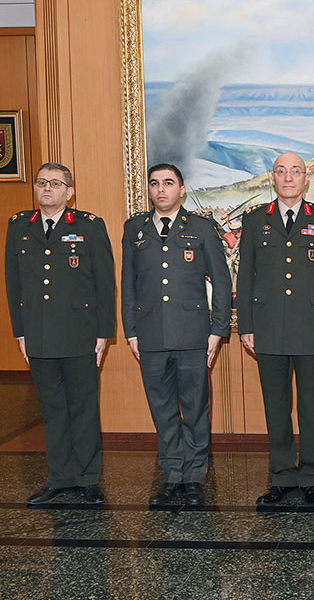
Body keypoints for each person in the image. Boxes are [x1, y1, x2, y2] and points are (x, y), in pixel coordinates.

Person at [236, 152, 314, 507]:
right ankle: (283, 478)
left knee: (312, 407)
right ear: (273, 177)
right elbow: (246, 275)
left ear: (306, 178)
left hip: (313, 328)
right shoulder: (256, 220)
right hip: (268, 329)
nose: (288, 178)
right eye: (281, 172)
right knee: (276, 406)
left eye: (295, 171)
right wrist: (246, 326)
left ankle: (311, 479)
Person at [121, 163, 232, 507]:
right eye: (155, 184)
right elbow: (129, 284)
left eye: (168, 183)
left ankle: (194, 476)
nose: (161, 190)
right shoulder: (134, 229)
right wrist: (131, 332)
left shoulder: (200, 228)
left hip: (193, 337)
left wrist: (217, 330)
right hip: (151, 335)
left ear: (181, 189)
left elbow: (222, 280)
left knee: (195, 408)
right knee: (163, 409)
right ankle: (172, 475)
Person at [5, 163, 115, 505]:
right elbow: (13, 284)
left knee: (83, 408)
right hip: (38, 335)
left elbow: (104, 284)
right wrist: (20, 333)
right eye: (41, 183)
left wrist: (103, 333)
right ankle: (59, 477)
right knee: (51, 410)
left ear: (70, 191)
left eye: (55, 183)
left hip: (81, 334)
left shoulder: (88, 226)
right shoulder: (20, 226)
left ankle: (87, 479)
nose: (47, 189)